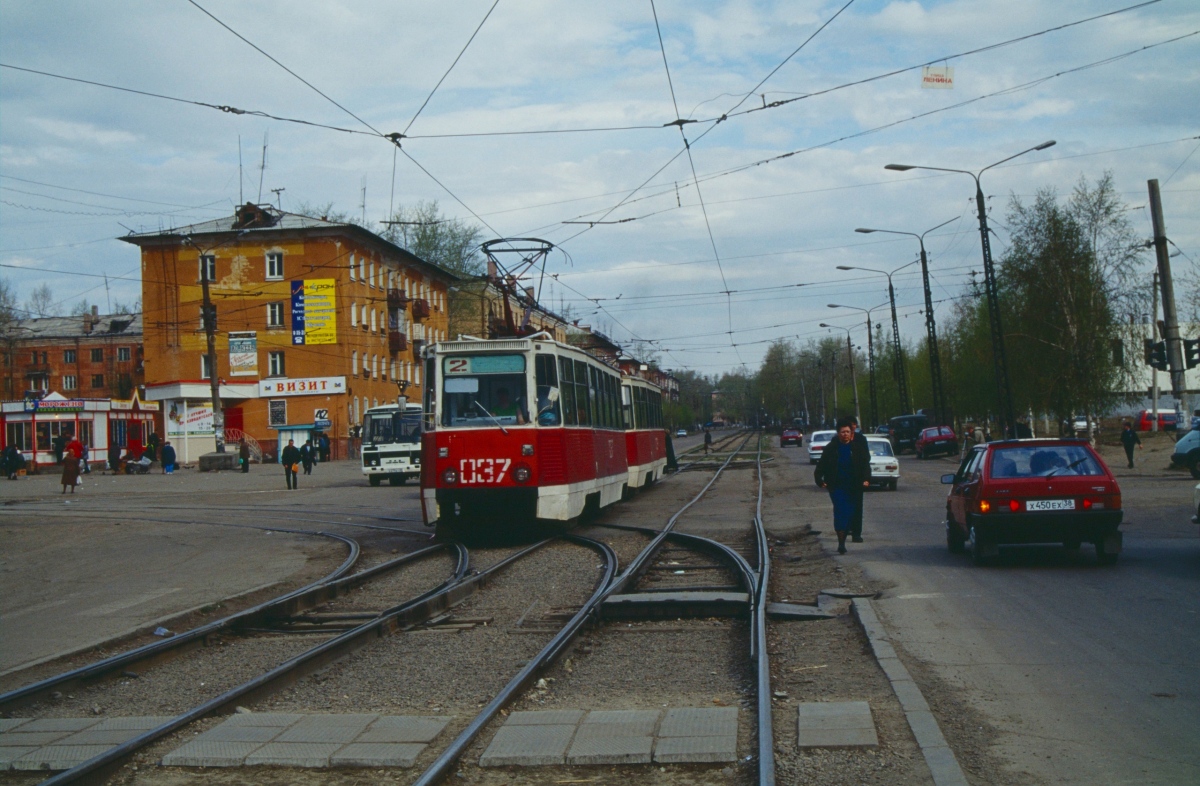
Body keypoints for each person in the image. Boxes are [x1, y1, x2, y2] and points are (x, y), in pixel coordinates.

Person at [814, 417, 872, 554]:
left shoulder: (857, 448)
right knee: (840, 512)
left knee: (851, 512)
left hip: (854, 486)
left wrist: (866, 479)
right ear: (838, 433)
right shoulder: (831, 448)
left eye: (847, 432)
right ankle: (841, 543)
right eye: (842, 432)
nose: (845, 434)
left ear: (851, 433)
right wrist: (819, 479)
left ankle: (850, 534)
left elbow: (865, 465)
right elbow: (821, 465)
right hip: (837, 486)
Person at [847, 416, 870, 543]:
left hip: (857, 479)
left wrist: (866, 478)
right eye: (850, 425)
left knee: (857, 506)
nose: (852, 427)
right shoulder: (838, 440)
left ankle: (856, 533)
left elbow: (866, 459)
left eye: (854, 425)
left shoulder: (861, 440)